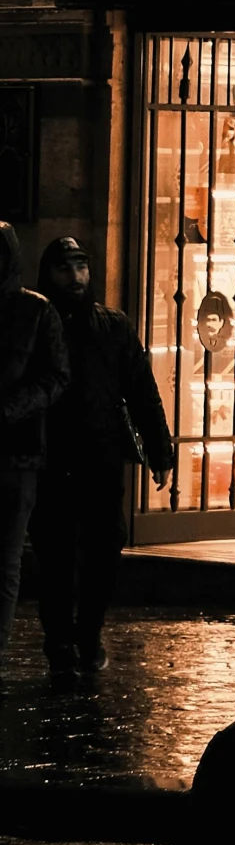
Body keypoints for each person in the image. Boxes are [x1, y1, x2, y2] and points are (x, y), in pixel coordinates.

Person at [33, 235, 172, 680]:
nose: (75, 277)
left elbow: (141, 389)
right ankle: (60, 643)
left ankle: (87, 633)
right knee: (55, 554)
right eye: (64, 268)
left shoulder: (112, 326)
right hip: (51, 459)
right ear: (48, 274)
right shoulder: (37, 322)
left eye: (81, 266)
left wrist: (159, 449)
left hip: (100, 457)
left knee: (103, 548)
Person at [0, 222, 68, 665]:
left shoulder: (36, 312)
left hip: (17, 455)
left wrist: (11, 408)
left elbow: (56, 376)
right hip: (17, 452)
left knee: (5, 561)